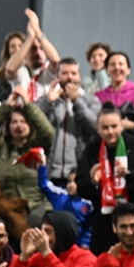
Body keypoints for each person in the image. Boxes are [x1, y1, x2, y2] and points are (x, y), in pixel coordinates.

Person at [75, 105, 134, 255]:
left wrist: (129, 175)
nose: (110, 132)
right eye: (105, 128)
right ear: (98, 129)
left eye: (114, 126)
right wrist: (93, 181)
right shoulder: (92, 149)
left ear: (122, 125)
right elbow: (81, 188)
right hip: (106, 218)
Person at [0, 87, 55, 231]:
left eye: (23, 121)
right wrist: (6, 106)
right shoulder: (0, 148)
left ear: (30, 125)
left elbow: (48, 132)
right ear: (8, 126)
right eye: (14, 122)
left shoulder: (37, 147)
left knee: (34, 221)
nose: (18, 126)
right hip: (5, 208)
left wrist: (28, 105)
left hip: (34, 208)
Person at [38, 58, 99, 188]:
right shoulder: (46, 100)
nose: (69, 77)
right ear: (57, 76)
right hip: (49, 173)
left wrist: (76, 101)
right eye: (65, 73)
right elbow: (32, 123)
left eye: (73, 73)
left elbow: (95, 128)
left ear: (80, 76)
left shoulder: (91, 101)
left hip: (79, 175)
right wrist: (48, 103)